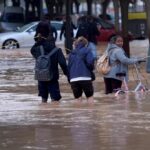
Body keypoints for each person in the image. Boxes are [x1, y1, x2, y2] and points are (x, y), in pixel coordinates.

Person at [31, 21, 68, 103]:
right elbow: (63, 64)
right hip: (53, 78)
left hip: (41, 77)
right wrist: (68, 75)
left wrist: (38, 42)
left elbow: (32, 51)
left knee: (43, 100)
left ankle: (44, 115)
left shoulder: (36, 49)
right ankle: (54, 115)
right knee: (55, 101)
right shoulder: (57, 50)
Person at [68, 36, 95, 102]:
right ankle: (91, 112)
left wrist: (69, 79)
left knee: (78, 99)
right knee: (90, 97)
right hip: (85, 78)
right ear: (86, 44)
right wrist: (91, 70)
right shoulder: (87, 50)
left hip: (73, 79)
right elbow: (90, 62)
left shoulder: (72, 53)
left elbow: (68, 67)